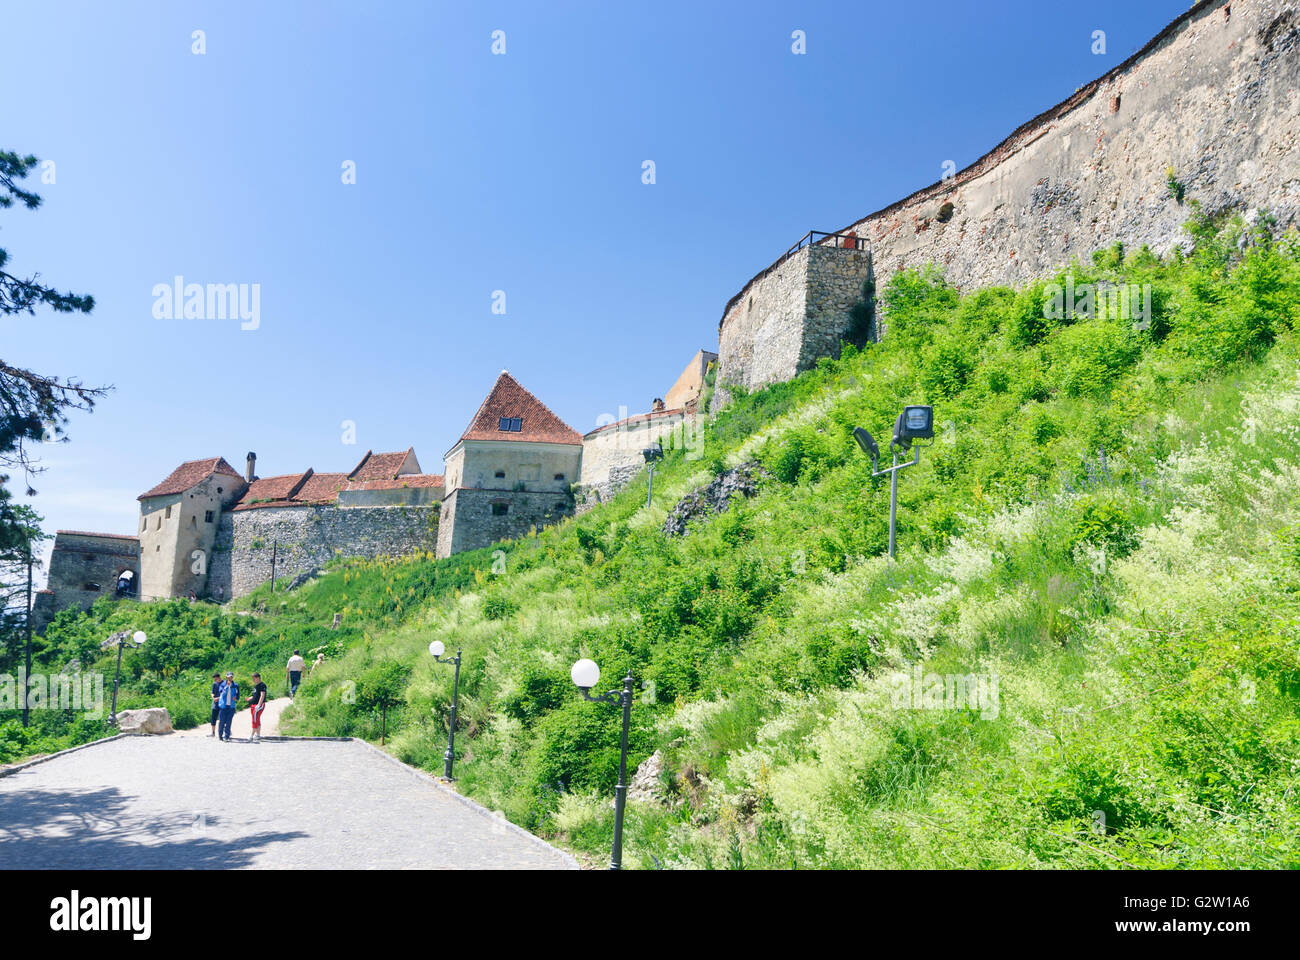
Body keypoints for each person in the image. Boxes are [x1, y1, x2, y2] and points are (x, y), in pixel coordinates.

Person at [216, 672, 239, 742]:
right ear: (226, 677)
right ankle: (220, 735)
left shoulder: (235, 685)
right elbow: (222, 693)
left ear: (232, 677)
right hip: (223, 706)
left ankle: (227, 736)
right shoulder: (222, 685)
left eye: (231, 677)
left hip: (231, 706)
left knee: (229, 722)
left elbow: (238, 695)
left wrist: (236, 698)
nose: (229, 678)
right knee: (222, 721)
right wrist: (227, 687)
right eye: (228, 677)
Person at [247, 672, 268, 741]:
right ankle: (258, 735)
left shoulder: (262, 685)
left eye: (254, 678)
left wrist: (259, 704)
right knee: (257, 719)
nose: (253, 680)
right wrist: (249, 698)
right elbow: (255, 695)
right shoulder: (255, 686)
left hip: (258, 705)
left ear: (258, 678)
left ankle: (251, 736)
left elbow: (262, 695)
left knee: (254, 720)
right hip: (253, 705)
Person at [208, 672, 222, 737]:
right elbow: (212, 692)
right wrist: (213, 697)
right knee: (213, 718)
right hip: (215, 704)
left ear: (219, 677)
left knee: (222, 719)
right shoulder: (214, 684)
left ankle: (222, 732)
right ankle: (213, 733)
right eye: (214, 680)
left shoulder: (224, 683)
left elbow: (225, 694)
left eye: (216, 679)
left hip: (222, 704)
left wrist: (218, 698)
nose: (215, 681)